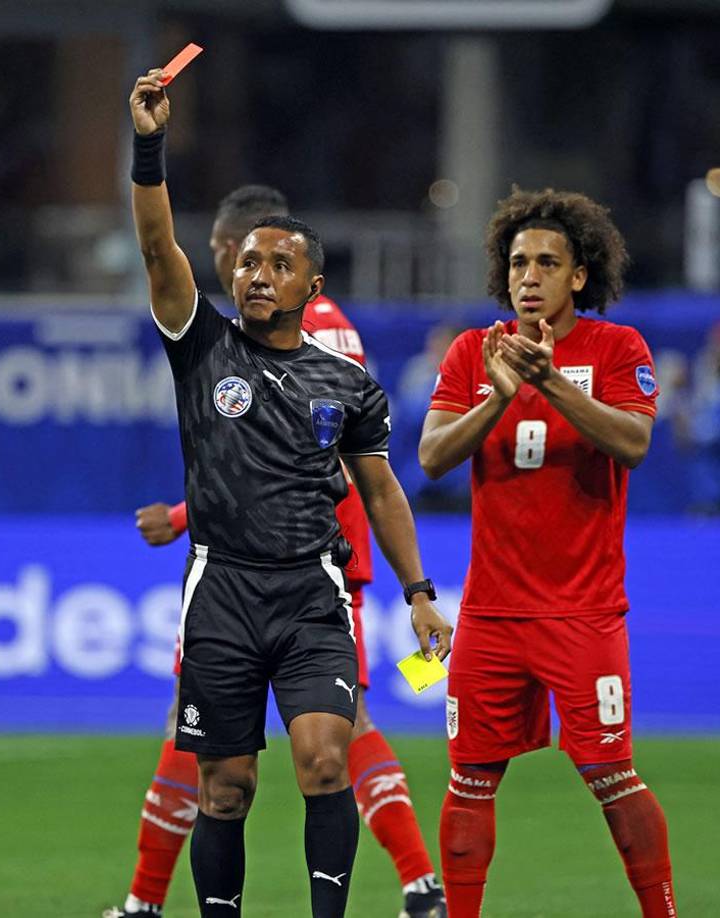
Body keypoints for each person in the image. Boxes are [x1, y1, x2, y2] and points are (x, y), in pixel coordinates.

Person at [128, 69, 452, 918]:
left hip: (314, 590)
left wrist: (419, 593)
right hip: (223, 590)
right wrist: (150, 142)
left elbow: (380, 491)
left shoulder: (344, 380)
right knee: (227, 787)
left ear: (313, 287)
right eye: (246, 262)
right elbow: (158, 245)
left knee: (325, 762)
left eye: (278, 264)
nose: (255, 274)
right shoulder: (200, 348)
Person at [419, 188, 676, 917]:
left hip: (583, 611)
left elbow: (633, 443)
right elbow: (432, 455)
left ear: (579, 276)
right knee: (469, 780)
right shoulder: (475, 351)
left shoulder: (619, 349)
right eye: (517, 261)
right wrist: (497, 396)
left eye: (546, 262)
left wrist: (549, 381)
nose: (527, 275)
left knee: (611, 777)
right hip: (492, 615)